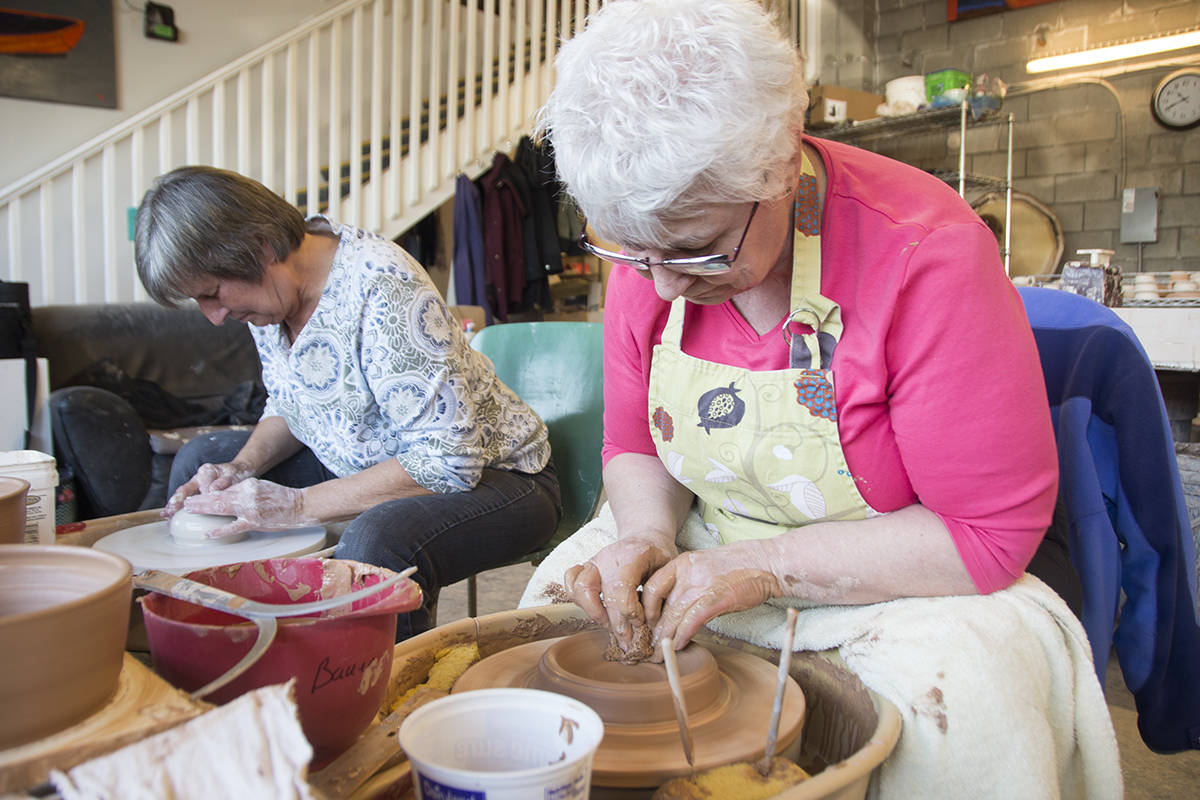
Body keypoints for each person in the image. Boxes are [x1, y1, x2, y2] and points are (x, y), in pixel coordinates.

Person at [522, 1, 1118, 796]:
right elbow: (635, 446)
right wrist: (643, 531)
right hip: (707, 533)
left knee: (958, 713)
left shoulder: (926, 253)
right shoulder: (656, 246)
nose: (661, 285)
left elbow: (985, 532)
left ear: (777, 165)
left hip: (899, 571)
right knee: (545, 625)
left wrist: (763, 569)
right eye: (631, 252)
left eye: (697, 250)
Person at [134, 166, 561, 639]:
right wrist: (241, 467)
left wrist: (297, 506)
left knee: (376, 540)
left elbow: (449, 462)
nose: (214, 317)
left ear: (260, 248)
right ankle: (234, 646)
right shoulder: (268, 300)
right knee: (203, 462)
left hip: (500, 479)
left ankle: (385, 693)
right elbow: (290, 404)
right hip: (366, 465)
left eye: (212, 294)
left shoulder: (381, 283)